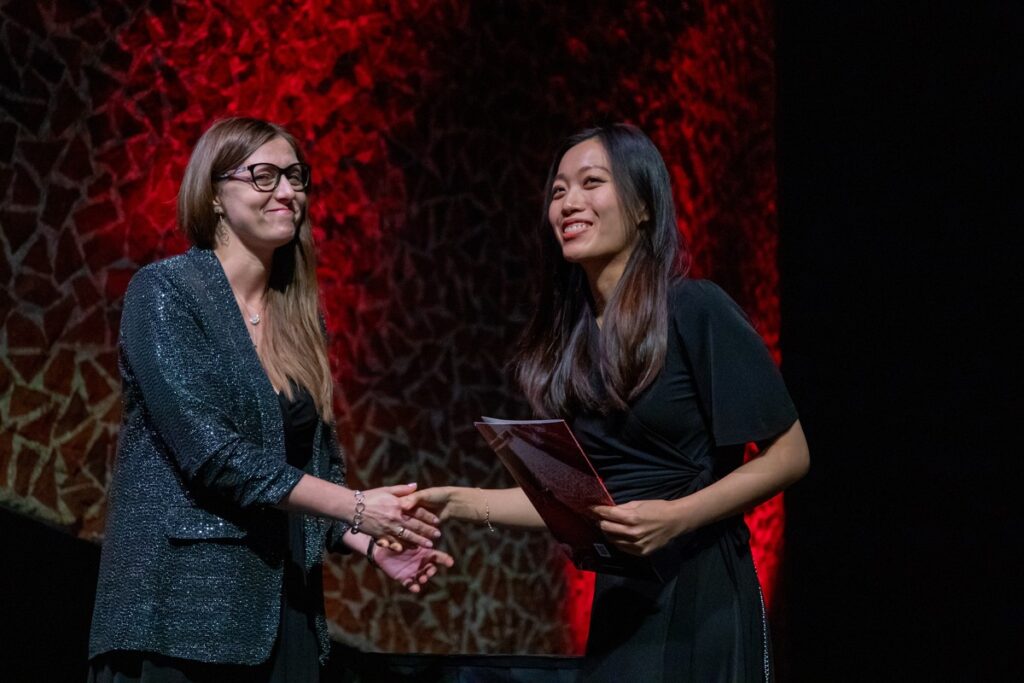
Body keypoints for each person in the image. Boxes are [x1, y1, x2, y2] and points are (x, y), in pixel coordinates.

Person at [406, 124, 809, 681]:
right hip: (624, 601)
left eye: (591, 183)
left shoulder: (695, 308)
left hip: (702, 591)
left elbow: (790, 455)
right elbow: (578, 505)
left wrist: (675, 517)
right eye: (557, 191)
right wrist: (455, 503)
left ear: (643, 205)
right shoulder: (574, 341)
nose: (569, 202)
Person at [88, 117, 453, 683]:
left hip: (285, 611)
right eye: (264, 176)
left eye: (295, 177)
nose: (288, 192)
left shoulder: (300, 318)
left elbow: (313, 469)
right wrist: (358, 506)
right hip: (181, 612)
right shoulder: (165, 292)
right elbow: (212, 453)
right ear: (213, 194)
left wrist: (367, 539)